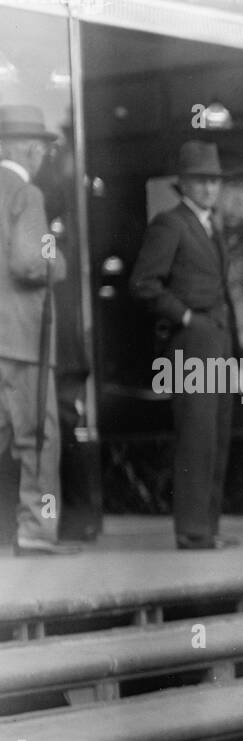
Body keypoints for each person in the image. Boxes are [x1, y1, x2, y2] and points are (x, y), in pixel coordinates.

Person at [130, 140, 239, 551]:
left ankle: (206, 527)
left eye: (214, 181)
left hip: (217, 338)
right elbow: (143, 284)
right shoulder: (170, 224)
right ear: (185, 185)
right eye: (201, 181)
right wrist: (185, 317)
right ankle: (192, 530)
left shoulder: (212, 226)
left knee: (217, 432)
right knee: (196, 432)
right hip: (191, 340)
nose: (209, 189)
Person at [0, 105, 77, 556]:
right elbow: (31, 260)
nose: (45, 157)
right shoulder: (26, 195)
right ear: (30, 148)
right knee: (39, 439)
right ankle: (36, 530)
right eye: (45, 150)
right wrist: (59, 261)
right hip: (24, 342)